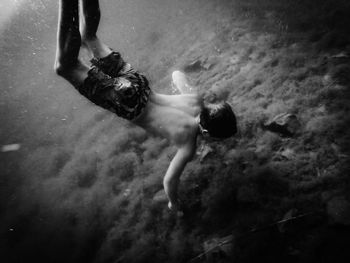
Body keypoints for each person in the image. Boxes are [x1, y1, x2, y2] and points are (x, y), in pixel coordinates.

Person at [54, 0, 237, 212]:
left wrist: (182, 87)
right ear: (205, 131)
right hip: (130, 103)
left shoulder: (195, 99)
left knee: (90, 37)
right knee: (66, 66)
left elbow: (177, 75)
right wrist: (173, 202)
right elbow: (169, 181)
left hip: (140, 83)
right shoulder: (188, 144)